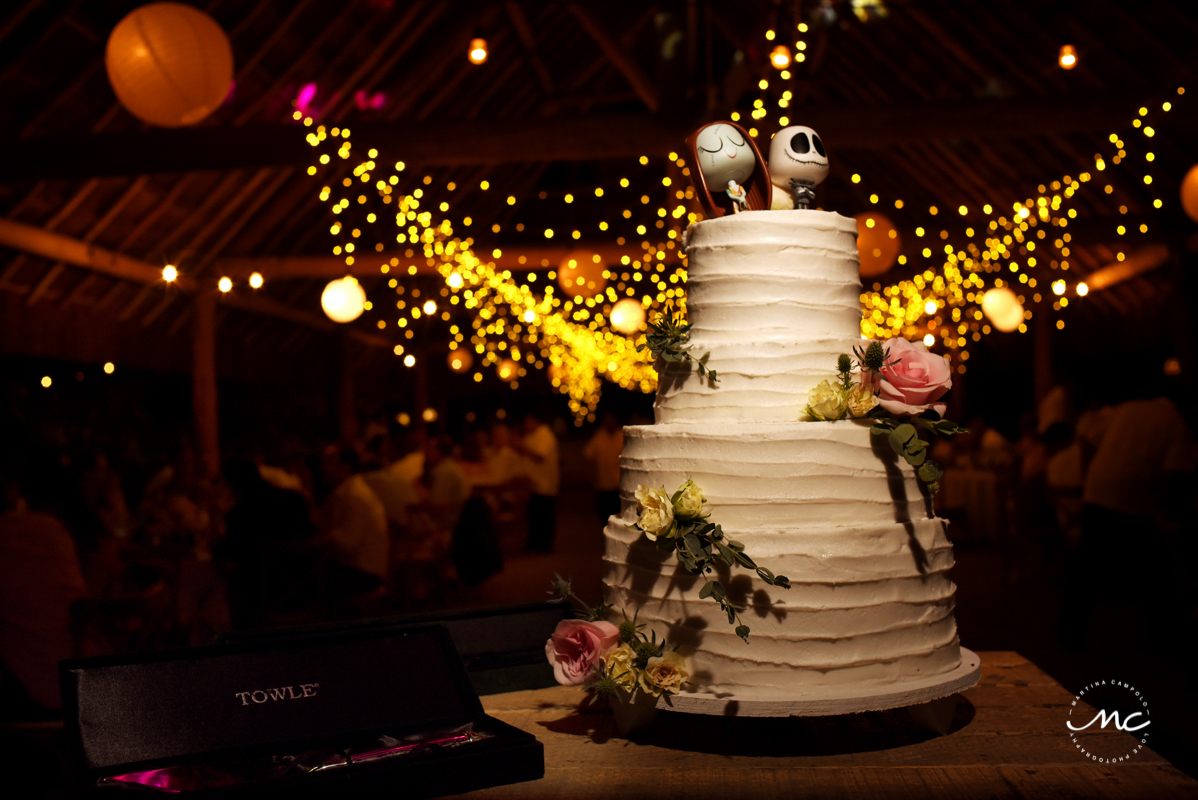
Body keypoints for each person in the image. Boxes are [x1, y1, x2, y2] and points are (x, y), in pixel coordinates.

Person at [516, 408, 560, 553]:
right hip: (535, 484)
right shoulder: (534, 435)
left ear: (535, 420)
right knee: (535, 516)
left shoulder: (544, 434)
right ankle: (535, 544)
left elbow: (539, 456)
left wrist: (521, 448)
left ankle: (544, 546)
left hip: (544, 484)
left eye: (528, 421)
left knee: (544, 516)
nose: (526, 424)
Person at [584, 412, 624, 523]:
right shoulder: (599, 437)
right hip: (603, 486)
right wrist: (591, 477)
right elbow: (589, 456)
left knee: (620, 518)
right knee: (605, 517)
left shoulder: (622, 437)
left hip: (619, 486)